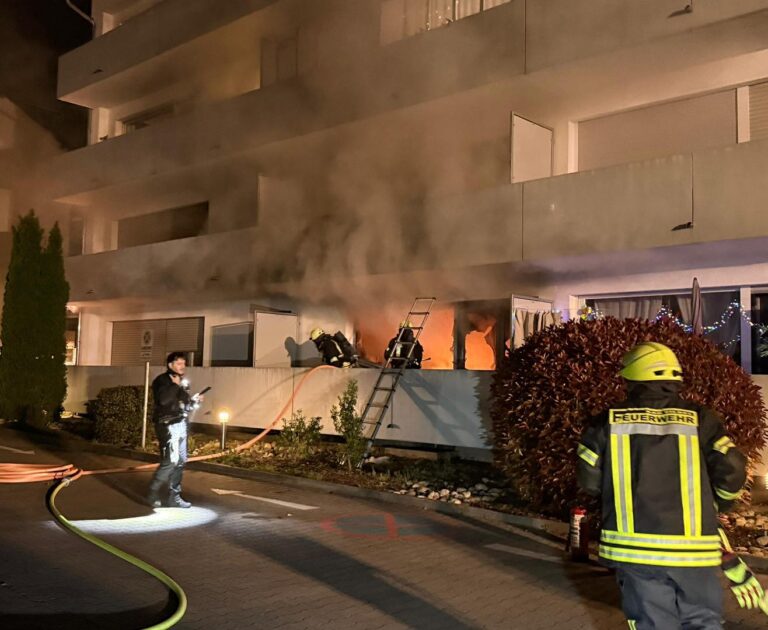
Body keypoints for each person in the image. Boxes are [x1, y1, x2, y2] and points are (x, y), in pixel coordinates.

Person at [576, 341, 754, 629]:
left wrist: (613, 495)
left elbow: (588, 476)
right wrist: (721, 501)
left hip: (634, 549)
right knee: (703, 620)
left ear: (631, 378)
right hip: (694, 548)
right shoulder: (700, 418)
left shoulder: (607, 421)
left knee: (652, 623)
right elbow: (732, 465)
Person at [147, 352, 203, 509]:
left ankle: (174, 497)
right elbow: (164, 400)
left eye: (184, 364)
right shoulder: (162, 381)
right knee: (170, 461)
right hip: (167, 425)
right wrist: (176, 385)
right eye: (179, 364)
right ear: (170, 364)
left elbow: (185, 405)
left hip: (181, 424)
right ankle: (152, 493)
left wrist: (193, 401)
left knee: (180, 462)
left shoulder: (181, 382)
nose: (182, 367)